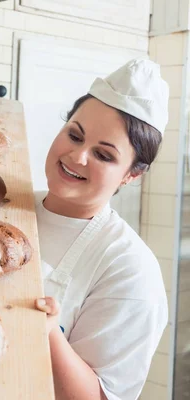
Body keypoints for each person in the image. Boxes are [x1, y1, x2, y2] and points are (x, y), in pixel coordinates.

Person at [33, 58, 169, 400]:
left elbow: (101, 396)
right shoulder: (7, 205)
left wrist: (47, 331)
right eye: (74, 135)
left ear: (131, 175)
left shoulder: (131, 271)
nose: (77, 157)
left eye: (104, 155)